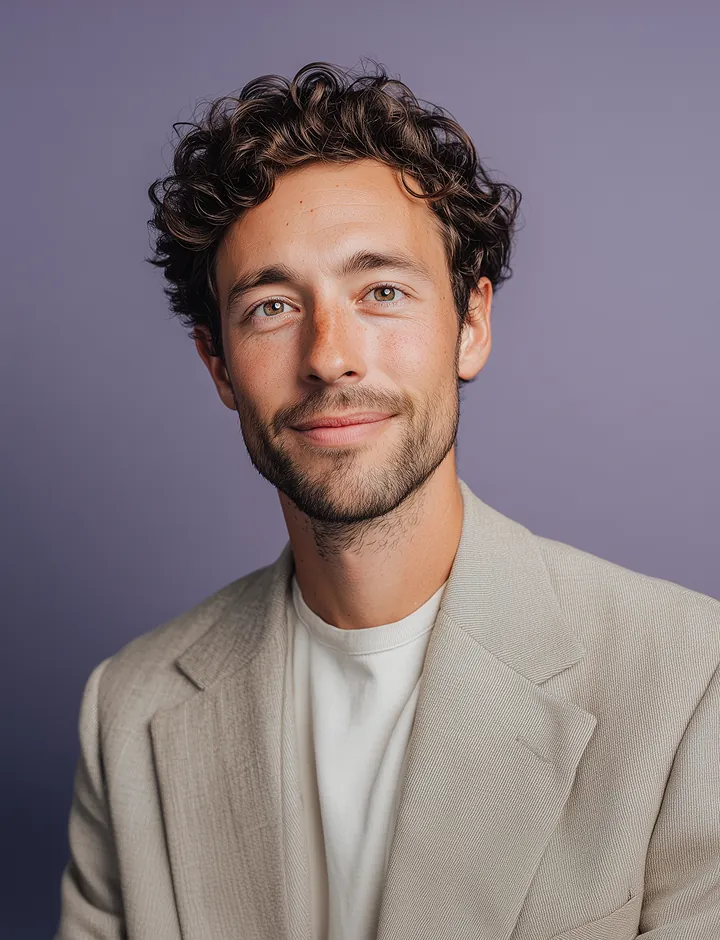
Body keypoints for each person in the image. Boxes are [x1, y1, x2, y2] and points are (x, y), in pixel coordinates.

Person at [55, 61, 720, 940]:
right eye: (272, 306)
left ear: (471, 325)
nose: (329, 355)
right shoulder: (128, 711)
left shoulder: (692, 683)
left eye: (382, 292)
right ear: (218, 366)